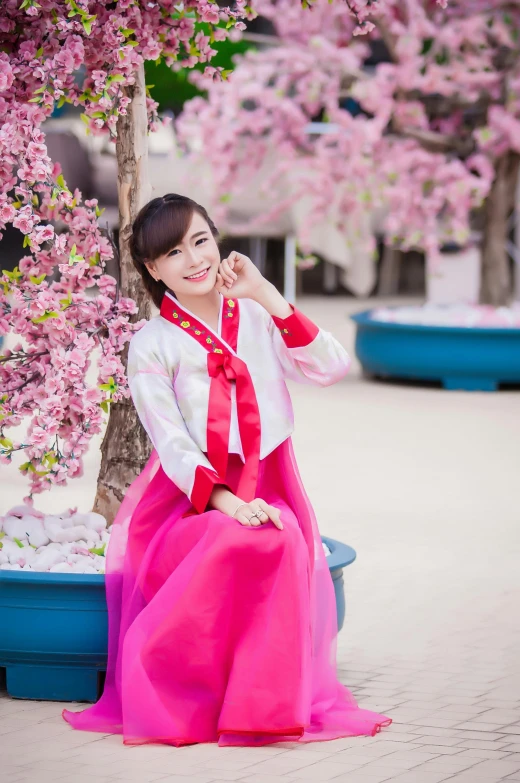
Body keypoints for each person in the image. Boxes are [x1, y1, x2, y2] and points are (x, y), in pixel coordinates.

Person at [62, 193, 391, 747]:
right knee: (235, 539)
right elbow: (172, 444)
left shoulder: (257, 316)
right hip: (189, 502)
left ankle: (261, 708)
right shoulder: (152, 343)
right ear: (151, 268)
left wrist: (264, 292)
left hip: (269, 482)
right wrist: (231, 505)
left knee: (280, 539)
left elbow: (333, 367)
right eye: (173, 252)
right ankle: (195, 698)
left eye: (200, 240)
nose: (194, 260)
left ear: (217, 239)